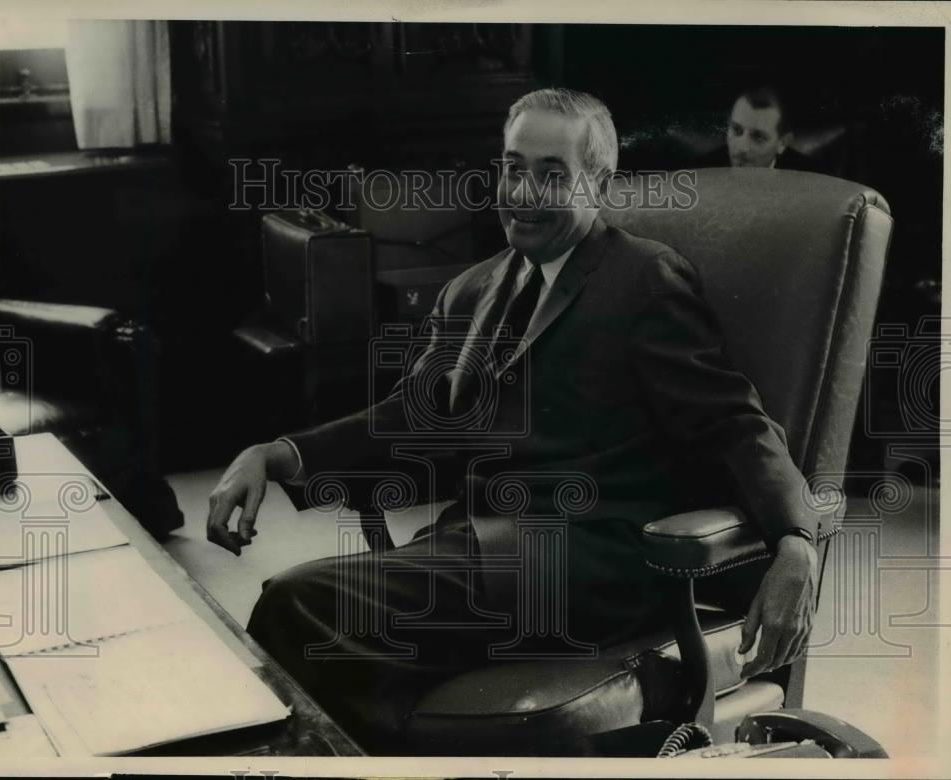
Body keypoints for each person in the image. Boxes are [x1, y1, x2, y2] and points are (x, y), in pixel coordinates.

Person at [207, 88, 821, 749]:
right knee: (315, 631)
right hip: (480, 552)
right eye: (511, 167)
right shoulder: (469, 290)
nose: (522, 192)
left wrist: (796, 540)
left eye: (551, 174)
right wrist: (277, 454)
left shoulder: (645, 279)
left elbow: (734, 421)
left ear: (598, 184)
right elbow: (412, 418)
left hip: (584, 567)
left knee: (297, 605)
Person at [695, 85, 819, 170]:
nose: (741, 148)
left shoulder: (810, 178)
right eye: (737, 130)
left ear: (782, 143)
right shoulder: (700, 171)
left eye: (758, 137)